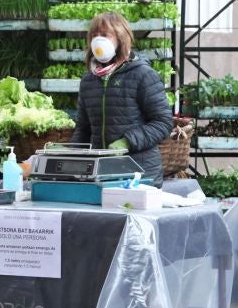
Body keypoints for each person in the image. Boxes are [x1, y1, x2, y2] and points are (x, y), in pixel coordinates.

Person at [69, 12, 173, 182]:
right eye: (94, 35)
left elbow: (163, 122)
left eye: (104, 35)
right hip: (101, 172)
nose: (98, 40)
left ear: (120, 38)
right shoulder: (89, 79)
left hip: (139, 174)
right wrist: (70, 153)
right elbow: (83, 128)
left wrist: (127, 142)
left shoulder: (143, 74)